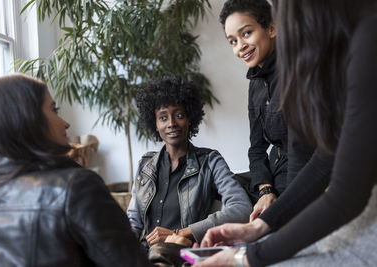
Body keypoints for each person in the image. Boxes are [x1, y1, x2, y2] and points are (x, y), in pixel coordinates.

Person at [194, 0, 377, 266]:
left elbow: (345, 195)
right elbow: (328, 157)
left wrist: (244, 257)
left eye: (247, 33)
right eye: (232, 40)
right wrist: (260, 227)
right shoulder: (349, 40)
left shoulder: (368, 38)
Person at [0, 73, 160, 266]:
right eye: (54, 110)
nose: (66, 123)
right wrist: (166, 252)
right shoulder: (76, 187)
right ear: (25, 119)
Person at [127, 76, 252, 249]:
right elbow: (133, 221)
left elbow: (241, 209)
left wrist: (181, 233)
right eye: (163, 118)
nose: (171, 123)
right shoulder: (145, 165)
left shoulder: (210, 161)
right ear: (154, 124)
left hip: (181, 253)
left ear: (190, 118)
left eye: (179, 115)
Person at [219, 0, 289, 221]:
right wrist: (266, 189)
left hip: (297, 174)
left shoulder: (295, 72)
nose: (240, 46)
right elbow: (257, 148)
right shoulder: (256, 84)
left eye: (246, 33)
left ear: (271, 28)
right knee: (219, 183)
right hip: (273, 174)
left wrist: (272, 193)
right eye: (233, 41)